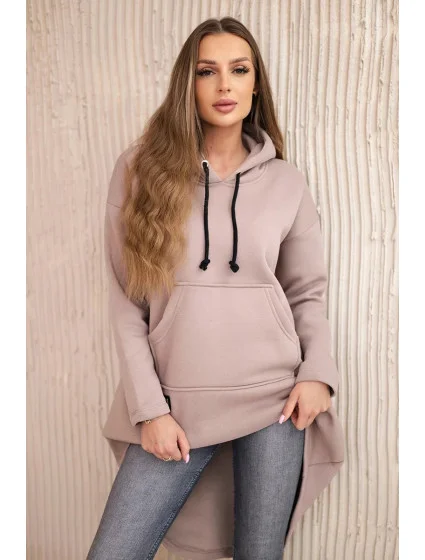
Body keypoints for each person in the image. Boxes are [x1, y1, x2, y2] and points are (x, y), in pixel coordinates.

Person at [87, 16, 344, 560]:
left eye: (239, 70)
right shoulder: (140, 172)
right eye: (208, 71)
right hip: (177, 403)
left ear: (256, 85)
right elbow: (127, 303)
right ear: (189, 83)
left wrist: (317, 374)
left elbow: (306, 294)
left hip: (275, 404)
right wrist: (149, 409)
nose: (225, 85)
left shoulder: (286, 183)